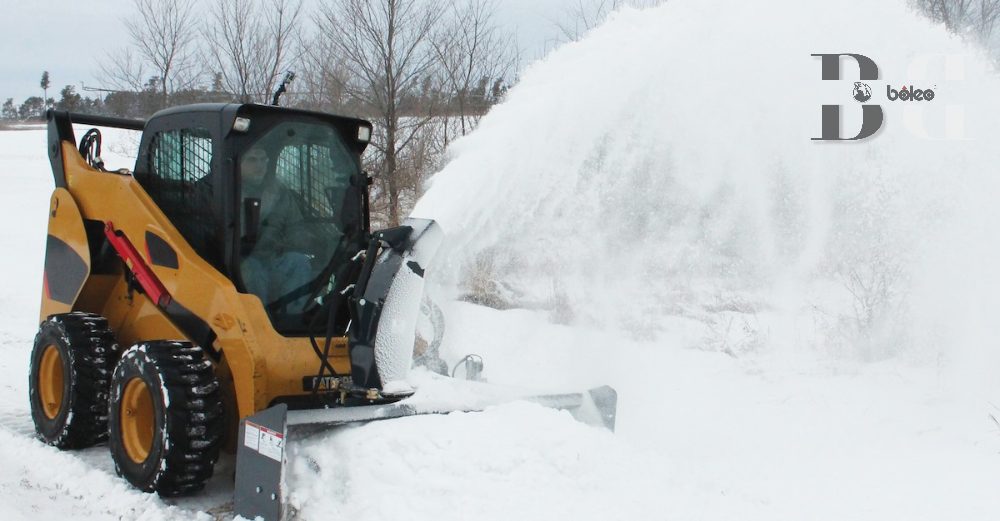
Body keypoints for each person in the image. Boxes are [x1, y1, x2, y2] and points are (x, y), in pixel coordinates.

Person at [239, 146, 315, 315]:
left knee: (299, 262)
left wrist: (299, 241)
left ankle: (292, 319)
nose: (259, 166)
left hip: (273, 256)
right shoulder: (225, 191)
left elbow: (295, 226)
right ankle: (259, 320)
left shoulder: (279, 192)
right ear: (237, 164)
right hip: (238, 260)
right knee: (251, 270)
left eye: (263, 160)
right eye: (252, 160)